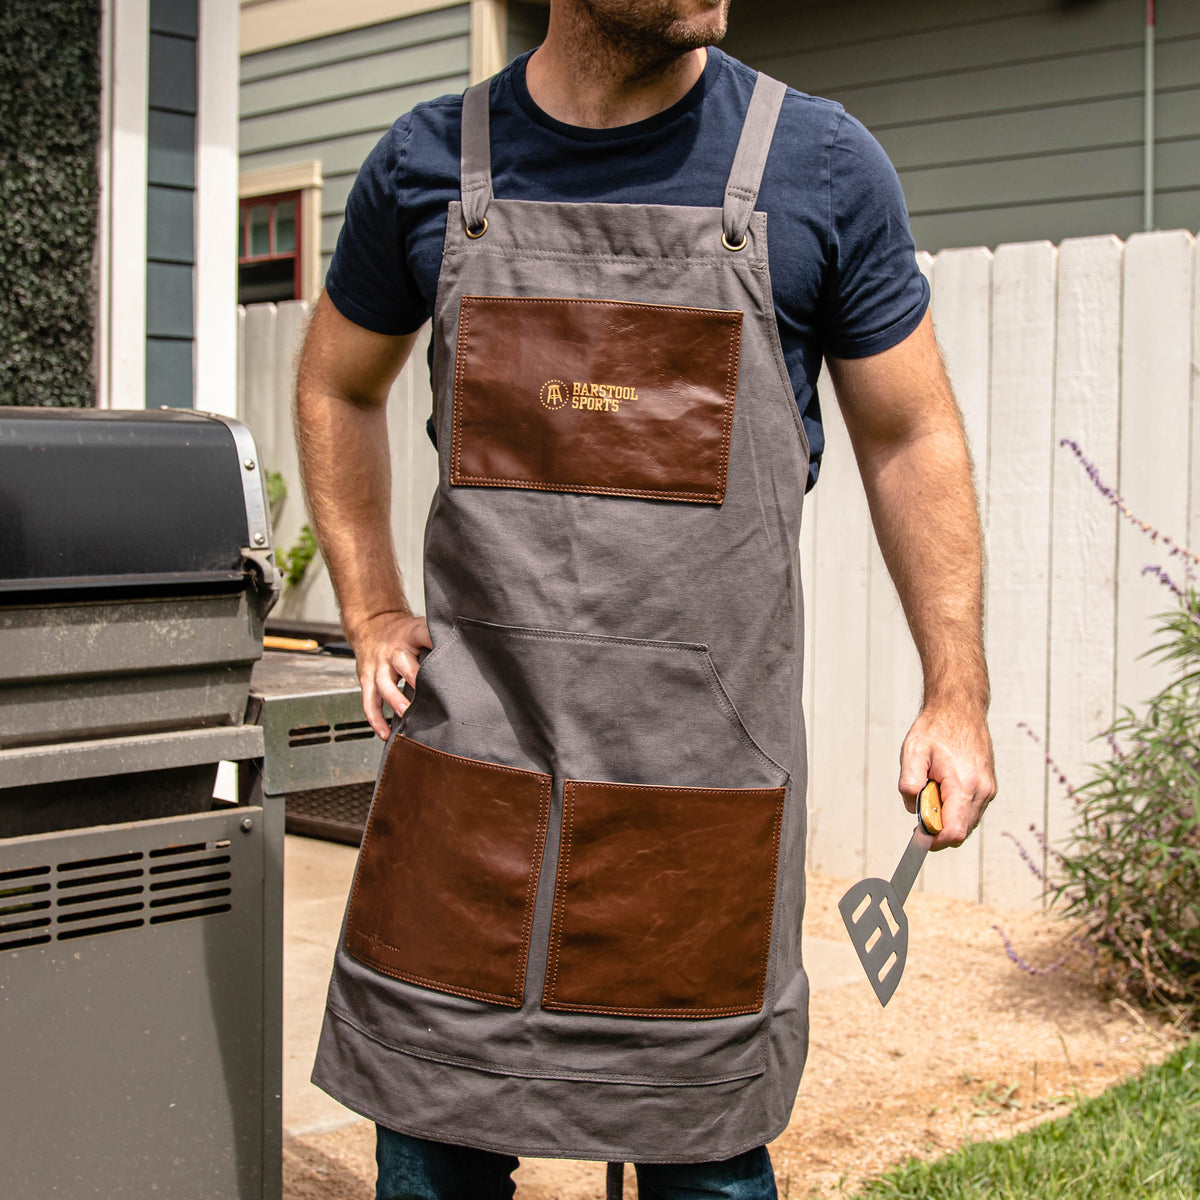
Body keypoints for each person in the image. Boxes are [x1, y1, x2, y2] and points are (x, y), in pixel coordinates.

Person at [295, 2, 997, 1197]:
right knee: (429, 1158)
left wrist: (956, 690)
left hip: (697, 805)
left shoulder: (818, 166)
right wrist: (369, 607)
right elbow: (333, 385)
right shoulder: (426, 167)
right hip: (477, 787)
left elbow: (910, 434)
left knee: (707, 1172)